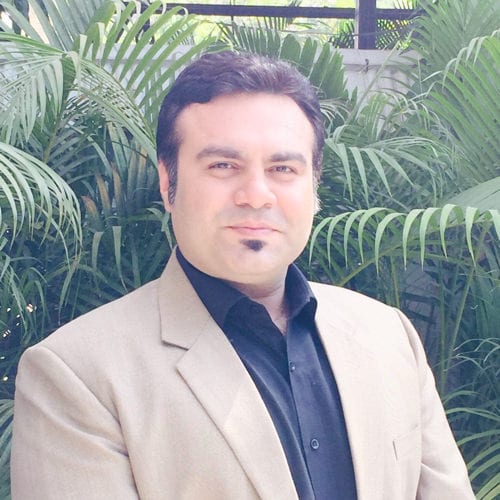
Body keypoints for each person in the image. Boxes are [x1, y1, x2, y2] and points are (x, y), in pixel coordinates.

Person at [11, 51, 474, 500]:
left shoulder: (389, 336)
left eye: (283, 168)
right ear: (168, 184)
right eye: (223, 166)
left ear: (313, 187)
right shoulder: (78, 375)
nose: (256, 194)